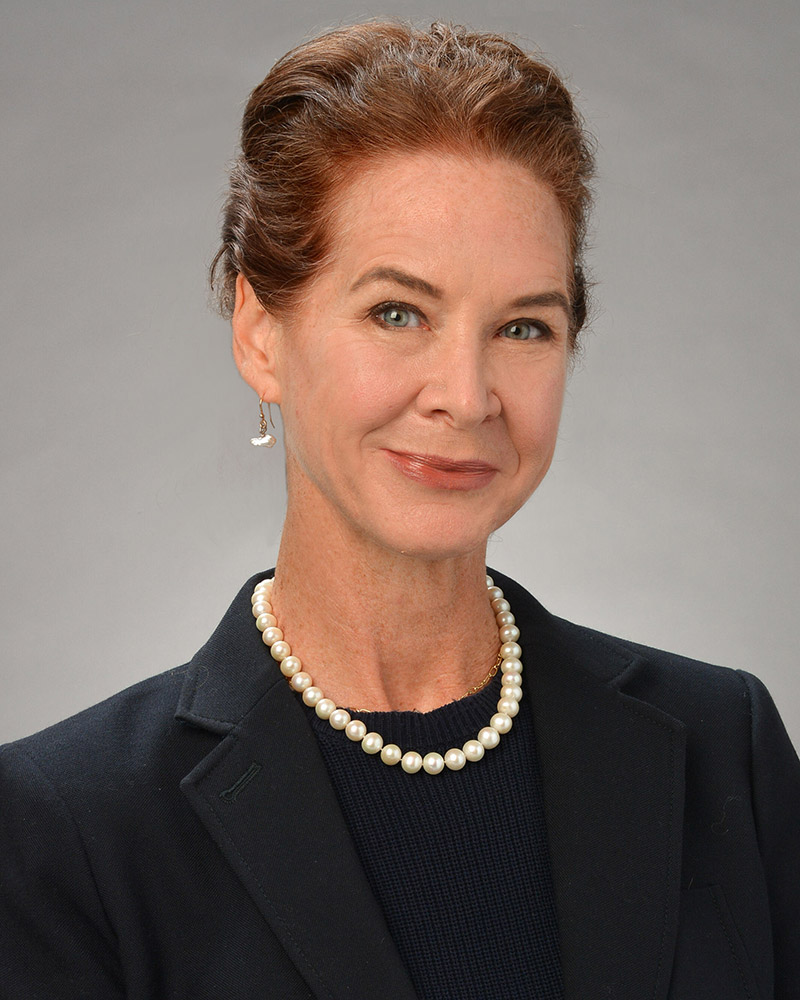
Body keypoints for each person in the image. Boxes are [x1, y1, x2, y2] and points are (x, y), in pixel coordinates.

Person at [1, 19, 797, 1000]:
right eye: (395, 313)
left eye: (521, 325)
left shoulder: (726, 751)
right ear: (260, 333)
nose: (464, 396)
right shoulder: (64, 825)